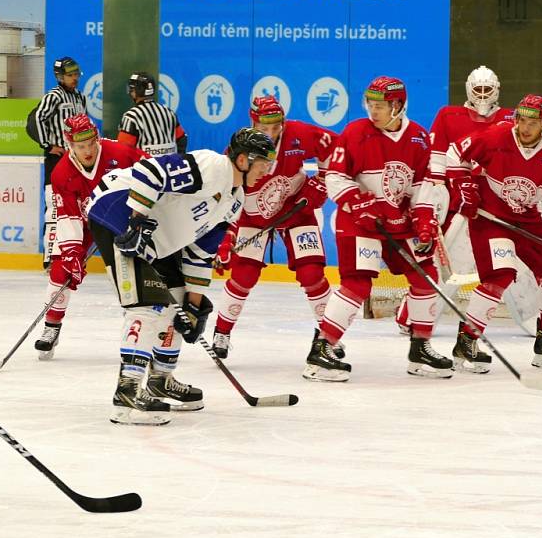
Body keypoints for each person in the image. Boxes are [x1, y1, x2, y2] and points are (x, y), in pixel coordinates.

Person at [85, 128, 275, 425]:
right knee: (147, 307)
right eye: (263, 163)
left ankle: (160, 379)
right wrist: (134, 222)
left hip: (153, 234)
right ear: (241, 159)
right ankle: (127, 391)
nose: (266, 170)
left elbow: (200, 252)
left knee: (178, 300)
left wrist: (193, 304)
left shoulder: (235, 200)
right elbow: (151, 170)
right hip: (117, 209)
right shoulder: (213, 167)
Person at [308, 76, 453, 382]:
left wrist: (424, 218)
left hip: (397, 223)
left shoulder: (417, 137)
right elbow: (335, 176)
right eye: (370, 105)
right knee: (359, 284)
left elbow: (421, 185)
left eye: (380, 106)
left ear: (398, 105)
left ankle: (420, 348)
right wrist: (358, 203)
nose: (373, 112)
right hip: (360, 223)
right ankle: (322, 348)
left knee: (426, 277)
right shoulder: (356, 132)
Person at [448, 94, 542, 371]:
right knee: (501, 274)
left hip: (527, 218)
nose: (524, 128)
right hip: (490, 216)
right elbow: (454, 155)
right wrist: (463, 186)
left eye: (531, 123)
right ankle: (467, 340)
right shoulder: (495, 136)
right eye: (521, 120)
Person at [211, 95, 339, 361]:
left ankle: (328, 337)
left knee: (312, 272)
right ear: (252, 121)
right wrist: (226, 239)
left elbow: (336, 149)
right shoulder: (239, 150)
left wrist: (322, 183)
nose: (270, 133)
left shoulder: (300, 134)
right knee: (244, 274)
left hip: (295, 209)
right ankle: (222, 332)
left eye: (275, 126)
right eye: (263, 127)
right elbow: (229, 199)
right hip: (252, 215)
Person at [394, 65, 517, 333]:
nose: (483, 95)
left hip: (494, 203)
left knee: (512, 262)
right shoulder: (449, 115)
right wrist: (437, 199)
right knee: (443, 260)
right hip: (456, 201)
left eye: (487, 89)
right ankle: (412, 315)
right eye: (478, 89)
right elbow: (436, 161)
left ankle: (539, 316)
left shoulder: (510, 118)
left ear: (496, 90)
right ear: (468, 90)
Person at [34, 114, 147, 359]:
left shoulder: (121, 153)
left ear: (97, 138)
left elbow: (152, 173)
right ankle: (51, 328)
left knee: (127, 272)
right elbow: (67, 215)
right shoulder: (62, 172)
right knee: (61, 269)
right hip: (85, 225)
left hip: (120, 221)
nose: (87, 151)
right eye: (80, 146)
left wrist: (141, 213)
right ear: (70, 145)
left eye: (90, 144)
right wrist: (73, 253)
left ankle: (140, 326)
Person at [32, 56, 87, 269]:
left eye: (76, 75)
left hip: (77, 161)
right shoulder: (53, 96)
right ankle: (50, 258)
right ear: (60, 76)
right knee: (54, 208)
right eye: (70, 75)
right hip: (57, 160)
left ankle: (72, 255)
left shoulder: (80, 98)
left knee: (77, 207)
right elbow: (38, 118)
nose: (75, 79)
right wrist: (47, 145)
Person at [117, 71, 187, 156]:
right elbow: (182, 138)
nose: (131, 92)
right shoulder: (168, 112)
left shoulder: (132, 116)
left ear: (137, 91)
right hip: (170, 167)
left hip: (144, 168)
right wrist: (177, 159)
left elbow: (122, 149)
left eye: (132, 89)